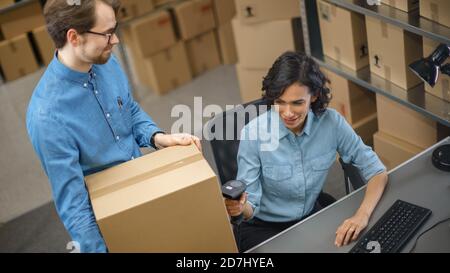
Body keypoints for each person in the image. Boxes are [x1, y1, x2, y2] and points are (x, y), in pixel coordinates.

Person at [26, 0, 200, 253]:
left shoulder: (105, 62)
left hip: (145, 184)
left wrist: (158, 138)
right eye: (107, 34)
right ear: (74, 37)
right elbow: (74, 205)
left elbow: (128, 109)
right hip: (114, 220)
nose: (116, 40)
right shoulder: (47, 117)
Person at [225, 51, 388, 252]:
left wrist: (362, 215)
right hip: (263, 227)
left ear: (314, 95)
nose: (287, 113)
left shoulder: (332, 123)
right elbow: (251, 205)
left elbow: (377, 171)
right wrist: (241, 208)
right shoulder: (254, 134)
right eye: (280, 102)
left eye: (297, 103)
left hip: (308, 215)